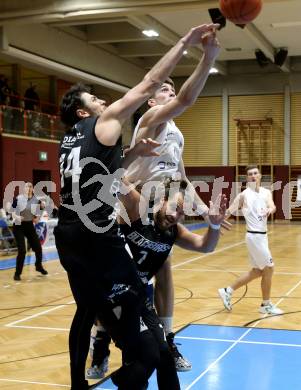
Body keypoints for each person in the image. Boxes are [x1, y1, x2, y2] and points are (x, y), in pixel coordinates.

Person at [54, 23, 219, 390]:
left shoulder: (71, 140)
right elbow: (170, 93)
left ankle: (144, 343)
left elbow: (104, 171)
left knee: (128, 285)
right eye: (93, 99)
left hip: (83, 223)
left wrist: (200, 207)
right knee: (132, 293)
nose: (101, 101)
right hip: (126, 210)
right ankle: (138, 346)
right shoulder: (144, 119)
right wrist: (199, 52)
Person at [124, 26, 221, 371]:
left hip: (159, 205)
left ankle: (167, 338)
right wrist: (207, 57)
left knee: (163, 266)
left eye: (170, 88)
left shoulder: (177, 133)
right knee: (117, 277)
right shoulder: (151, 119)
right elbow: (185, 99)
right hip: (130, 204)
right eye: (164, 89)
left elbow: (181, 177)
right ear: (152, 101)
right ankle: (101, 338)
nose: (169, 91)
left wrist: (203, 207)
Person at [86, 178, 231, 385]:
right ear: (163, 199)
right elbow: (115, 175)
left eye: (182, 213)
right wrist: (130, 152)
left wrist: (214, 226)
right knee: (148, 355)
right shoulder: (138, 210)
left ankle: (125, 378)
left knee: (164, 355)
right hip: (113, 296)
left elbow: (205, 246)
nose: (176, 215)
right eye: (176, 207)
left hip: (138, 298)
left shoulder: (174, 231)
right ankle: (105, 350)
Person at [218, 165, 283, 315]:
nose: (253, 176)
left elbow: (272, 205)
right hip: (254, 236)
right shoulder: (243, 195)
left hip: (263, 236)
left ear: (260, 176)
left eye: (255, 173)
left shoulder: (267, 192)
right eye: (250, 174)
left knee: (257, 271)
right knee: (269, 268)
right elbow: (229, 211)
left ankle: (227, 290)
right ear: (247, 178)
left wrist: (270, 209)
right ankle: (265, 305)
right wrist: (217, 224)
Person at [11, 182, 48, 280]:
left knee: (38, 248)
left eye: (30, 186)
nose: (29, 188)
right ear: (24, 188)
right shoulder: (18, 199)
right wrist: (17, 216)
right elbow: (12, 213)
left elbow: (42, 208)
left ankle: (38, 266)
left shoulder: (35, 200)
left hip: (29, 225)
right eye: (27, 186)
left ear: (32, 189)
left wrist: (38, 217)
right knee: (22, 250)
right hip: (18, 225)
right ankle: (17, 273)